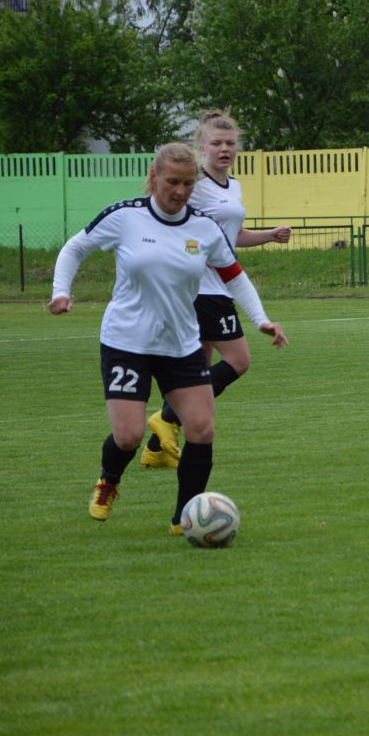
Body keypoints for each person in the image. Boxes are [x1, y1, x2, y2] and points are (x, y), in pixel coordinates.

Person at [49, 142, 288, 534]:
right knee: (128, 436)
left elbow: (234, 276)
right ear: (154, 177)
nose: (180, 191)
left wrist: (261, 319)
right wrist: (61, 291)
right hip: (127, 342)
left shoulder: (204, 228)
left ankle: (185, 519)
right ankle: (109, 480)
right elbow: (75, 248)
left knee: (201, 429)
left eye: (188, 183)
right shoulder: (126, 216)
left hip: (181, 345)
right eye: (172, 182)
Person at [142, 111, 291, 467]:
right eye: (217, 143)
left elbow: (230, 236)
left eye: (230, 143)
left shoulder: (233, 186)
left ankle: (155, 449)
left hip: (217, 285)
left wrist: (268, 236)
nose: (224, 149)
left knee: (199, 368)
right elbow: (168, 219)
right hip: (203, 289)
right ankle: (166, 417)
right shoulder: (194, 186)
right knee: (239, 361)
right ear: (201, 148)